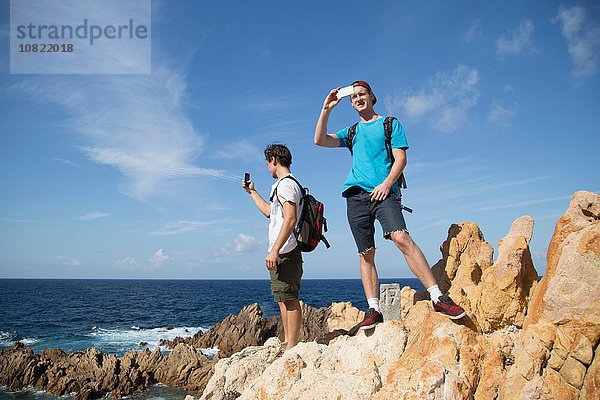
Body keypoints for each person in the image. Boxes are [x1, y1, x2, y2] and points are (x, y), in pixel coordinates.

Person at [314, 80, 466, 329]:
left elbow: (401, 159)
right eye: (354, 97)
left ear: (372, 97)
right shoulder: (352, 132)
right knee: (366, 253)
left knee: (402, 238)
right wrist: (326, 109)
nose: (358, 99)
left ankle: (438, 297)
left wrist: (386, 184)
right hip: (355, 196)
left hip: (385, 193)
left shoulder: (390, 124)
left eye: (362, 94)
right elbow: (319, 140)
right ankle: (374, 309)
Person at [242, 143, 304, 350]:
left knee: (290, 299)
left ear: (274, 161)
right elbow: (271, 212)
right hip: (283, 249)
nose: (268, 167)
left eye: (268, 163)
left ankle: (291, 346)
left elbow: (290, 219)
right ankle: (288, 341)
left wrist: (275, 250)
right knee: (282, 298)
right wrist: (252, 192)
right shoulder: (284, 185)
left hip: (286, 249)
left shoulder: (286, 184)